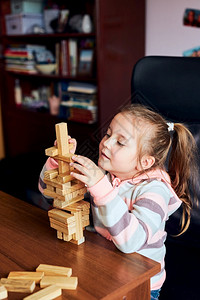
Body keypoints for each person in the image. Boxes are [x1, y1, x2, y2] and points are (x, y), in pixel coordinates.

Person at [39, 104, 198, 300]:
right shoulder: (108, 177)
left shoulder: (155, 192)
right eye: (108, 134)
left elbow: (131, 242)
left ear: (145, 162)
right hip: (105, 267)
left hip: (140, 284)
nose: (106, 143)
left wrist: (101, 189)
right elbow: (50, 195)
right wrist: (58, 163)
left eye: (120, 142)